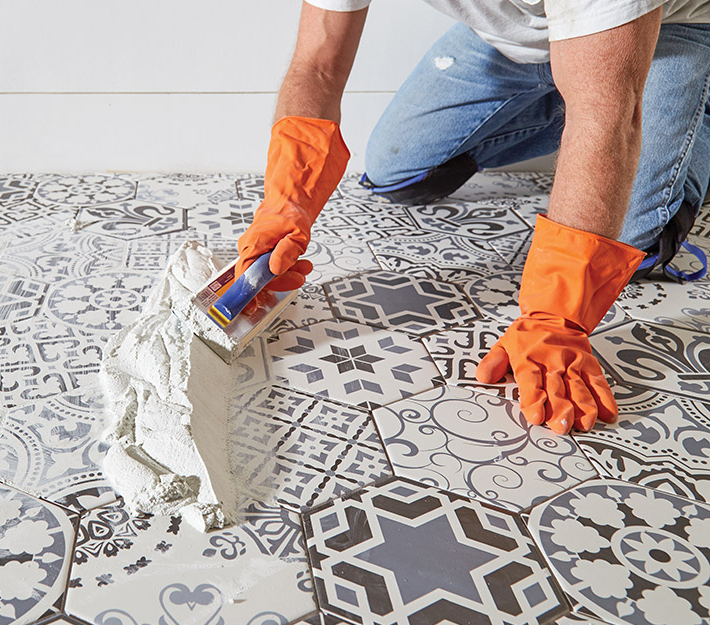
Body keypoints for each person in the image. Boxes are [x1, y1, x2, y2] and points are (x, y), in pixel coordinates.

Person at [236, 0, 710, 435]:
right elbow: (317, 66)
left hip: (666, 27)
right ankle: (576, 74)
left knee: (635, 237)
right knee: (397, 171)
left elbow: (604, 113)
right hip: (519, 40)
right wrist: (285, 204)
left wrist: (557, 315)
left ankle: (688, 105)